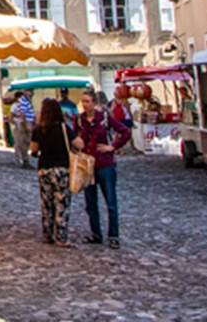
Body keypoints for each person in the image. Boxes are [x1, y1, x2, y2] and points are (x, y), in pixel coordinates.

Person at [73, 90, 131, 248]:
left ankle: (113, 236)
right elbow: (75, 140)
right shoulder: (79, 120)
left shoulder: (104, 119)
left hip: (105, 164)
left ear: (94, 103)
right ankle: (96, 233)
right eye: (83, 101)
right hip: (88, 166)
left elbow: (125, 132)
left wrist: (112, 147)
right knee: (90, 203)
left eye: (88, 101)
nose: (85, 104)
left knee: (110, 202)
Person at [27, 97, 73, 246]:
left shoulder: (39, 129)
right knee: (62, 203)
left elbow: (34, 149)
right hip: (61, 169)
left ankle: (47, 234)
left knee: (46, 203)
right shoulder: (64, 128)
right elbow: (79, 143)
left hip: (44, 168)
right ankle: (60, 236)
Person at [9, 90, 36, 167]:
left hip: (25, 125)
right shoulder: (15, 106)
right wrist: (18, 124)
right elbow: (12, 116)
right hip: (20, 126)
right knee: (19, 143)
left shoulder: (28, 104)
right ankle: (21, 159)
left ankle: (24, 159)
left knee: (26, 143)